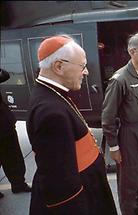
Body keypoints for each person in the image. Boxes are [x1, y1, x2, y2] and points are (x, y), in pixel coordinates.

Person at [26, 35, 117, 214]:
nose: (86, 72)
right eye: (82, 66)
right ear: (59, 66)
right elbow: (62, 186)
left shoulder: (51, 93)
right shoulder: (51, 113)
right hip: (83, 193)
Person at [101, 33, 138, 215]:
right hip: (129, 135)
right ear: (133, 52)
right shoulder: (120, 80)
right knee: (129, 182)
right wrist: (114, 146)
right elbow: (107, 117)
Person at [0, 69, 31, 199]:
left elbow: (5, 75)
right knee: (12, 155)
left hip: (4, 123)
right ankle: (18, 184)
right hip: (4, 123)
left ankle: (18, 184)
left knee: (13, 156)